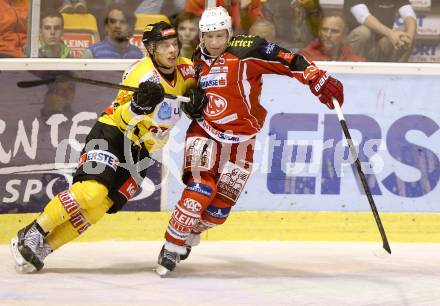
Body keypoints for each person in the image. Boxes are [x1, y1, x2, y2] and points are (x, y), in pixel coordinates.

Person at [155, 6, 344, 276]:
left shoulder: (247, 50)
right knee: (201, 189)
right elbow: (188, 94)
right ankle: (171, 246)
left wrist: (317, 79)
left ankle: (189, 233)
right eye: (208, 37)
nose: (214, 43)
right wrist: (192, 102)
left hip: (242, 140)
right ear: (201, 36)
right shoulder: (196, 58)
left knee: (218, 212)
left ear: (229, 34)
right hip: (205, 130)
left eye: (220, 36)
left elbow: (288, 60)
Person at [10, 21, 201, 273]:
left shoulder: (187, 70)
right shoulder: (139, 74)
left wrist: (198, 102)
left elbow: (200, 95)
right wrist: (137, 107)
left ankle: (44, 248)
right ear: (151, 49)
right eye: (164, 45)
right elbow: (121, 116)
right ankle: (32, 232)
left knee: (100, 207)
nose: (172, 50)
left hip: (143, 152)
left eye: (174, 44)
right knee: (91, 193)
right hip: (114, 133)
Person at [344, 0, 417, 62]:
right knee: (363, 32)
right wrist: (391, 34)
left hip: (383, 44)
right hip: (361, 46)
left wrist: (408, 38)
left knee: (406, 33)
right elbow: (362, 16)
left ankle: (396, 75)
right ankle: (354, 72)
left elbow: (409, 14)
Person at [37, 9, 76, 118]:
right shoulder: (32, 53)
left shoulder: (68, 54)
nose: (52, 32)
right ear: (40, 31)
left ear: (62, 31)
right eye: (47, 28)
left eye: (57, 28)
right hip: (39, 111)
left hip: (65, 110)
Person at [300, 14, 365, 62]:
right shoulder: (304, 56)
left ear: (344, 34)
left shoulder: (355, 62)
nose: (328, 35)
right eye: (324, 29)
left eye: (334, 31)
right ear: (319, 32)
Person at [185, 0, 263, 33]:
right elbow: (189, 20)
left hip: (241, 46)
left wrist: (245, 10)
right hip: (205, 46)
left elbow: (259, 27)